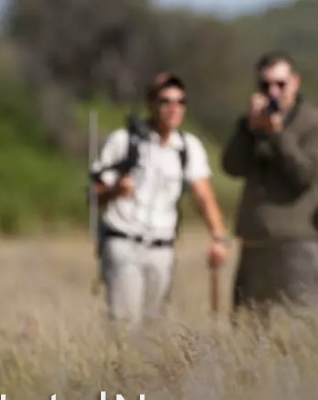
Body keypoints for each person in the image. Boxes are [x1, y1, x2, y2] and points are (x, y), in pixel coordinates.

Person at [89, 72, 229, 330]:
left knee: (155, 328)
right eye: (165, 101)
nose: (174, 108)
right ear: (151, 104)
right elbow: (93, 195)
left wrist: (218, 237)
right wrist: (116, 191)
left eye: (180, 101)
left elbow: (203, 194)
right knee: (125, 324)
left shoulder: (188, 147)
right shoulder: (124, 141)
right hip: (124, 241)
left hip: (162, 248)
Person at [221, 51, 318, 320]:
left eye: (280, 84)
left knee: (296, 326)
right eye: (265, 85)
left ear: (295, 82)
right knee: (247, 327)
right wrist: (247, 130)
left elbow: (306, 175)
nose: (273, 92)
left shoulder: (317, 124)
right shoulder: (252, 124)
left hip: (297, 241)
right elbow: (232, 167)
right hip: (255, 240)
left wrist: (278, 135)